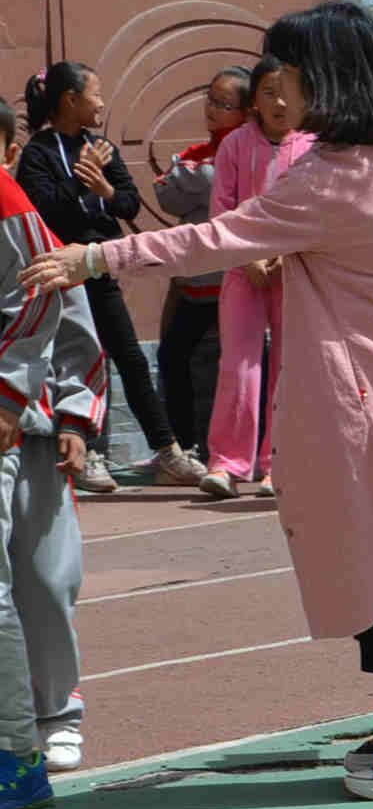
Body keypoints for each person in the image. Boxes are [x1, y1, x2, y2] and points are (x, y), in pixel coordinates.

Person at [22, 0, 373, 801]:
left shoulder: (329, 179)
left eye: (291, 76)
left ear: (327, 82)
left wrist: (92, 258)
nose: (279, 91)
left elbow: (210, 238)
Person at [17, 61, 203, 494]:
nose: (102, 104)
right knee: (81, 358)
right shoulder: (39, 154)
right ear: (71, 100)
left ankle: (167, 450)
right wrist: (82, 183)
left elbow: (128, 204)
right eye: (96, 95)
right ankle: (90, 453)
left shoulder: (101, 149)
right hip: (63, 272)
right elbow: (46, 209)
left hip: (100, 266)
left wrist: (101, 187)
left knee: (131, 359)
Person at [0, 168, 104, 809]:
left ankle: (51, 716)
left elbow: (67, 323)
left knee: (42, 582)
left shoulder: (21, 218)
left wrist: (74, 415)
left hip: (27, 428)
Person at [199, 55, 315, 500]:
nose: (280, 101)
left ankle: (278, 463)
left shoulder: (312, 146)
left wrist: (285, 256)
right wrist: (248, 257)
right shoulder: (234, 146)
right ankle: (226, 463)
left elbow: (315, 211)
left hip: (296, 270)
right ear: (254, 102)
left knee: (290, 367)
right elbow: (222, 211)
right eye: (269, 92)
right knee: (239, 367)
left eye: (288, 90)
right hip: (243, 270)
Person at [154, 66, 252, 457]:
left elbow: (202, 184)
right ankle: (182, 446)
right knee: (173, 356)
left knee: (232, 369)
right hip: (193, 282)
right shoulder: (200, 153)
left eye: (224, 103)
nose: (212, 109)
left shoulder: (244, 152)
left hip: (232, 280)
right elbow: (166, 194)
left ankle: (236, 451)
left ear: (246, 112)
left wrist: (187, 174)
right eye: (210, 99)